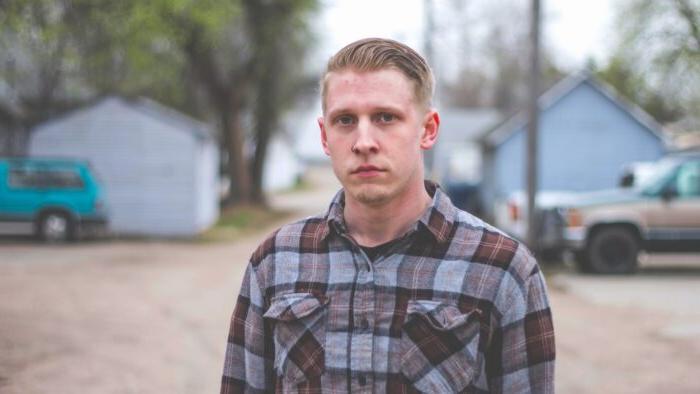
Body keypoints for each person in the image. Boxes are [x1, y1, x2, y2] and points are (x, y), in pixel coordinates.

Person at [221, 37, 555, 393]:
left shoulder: (504, 269)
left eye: (385, 117)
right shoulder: (275, 262)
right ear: (324, 136)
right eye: (346, 120)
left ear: (428, 129)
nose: (364, 141)